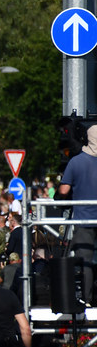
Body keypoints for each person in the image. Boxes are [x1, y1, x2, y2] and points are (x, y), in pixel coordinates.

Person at [57, 124, 97, 303]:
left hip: (84, 219)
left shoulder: (76, 162)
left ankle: (87, 299)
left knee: (85, 261)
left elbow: (64, 190)